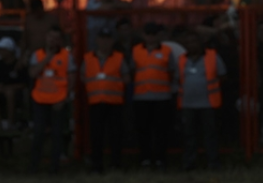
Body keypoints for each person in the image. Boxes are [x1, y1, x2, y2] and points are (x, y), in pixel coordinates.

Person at [28, 25, 75, 174]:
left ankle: (54, 168)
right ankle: (34, 166)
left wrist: (64, 99)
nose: (53, 41)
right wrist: (47, 58)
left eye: (56, 38)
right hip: (40, 100)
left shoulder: (67, 56)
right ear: (46, 38)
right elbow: (33, 73)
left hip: (58, 101)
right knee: (38, 134)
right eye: (50, 37)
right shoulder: (37, 55)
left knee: (57, 135)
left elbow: (71, 78)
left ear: (60, 40)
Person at [82, 27, 129, 173]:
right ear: (97, 40)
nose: (105, 42)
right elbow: (83, 76)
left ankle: (116, 163)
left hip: (114, 102)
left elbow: (126, 78)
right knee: (96, 135)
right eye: (102, 38)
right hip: (95, 102)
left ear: (112, 41)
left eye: (108, 39)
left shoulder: (119, 58)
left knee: (115, 135)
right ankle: (97, 165)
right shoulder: (88, 58)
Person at [178, 32, 226, 171]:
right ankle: (189, 164)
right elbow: (177, 78)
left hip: (208, 103)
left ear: (200, 43)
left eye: (194, 42)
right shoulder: (181, 59)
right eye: (188, 42)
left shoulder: (212, 56)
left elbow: (222, 76)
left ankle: (213, 163)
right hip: (187, 104)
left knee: (210, 134)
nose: (191, 45)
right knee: (189, 135)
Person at [132, 22, 176, 170]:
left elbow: (172, 71)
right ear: (143, 35)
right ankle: (145, 158)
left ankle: (160, 159)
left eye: (154, 34)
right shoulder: (136, 50)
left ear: (159, 35)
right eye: (148, 34)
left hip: (162, 97)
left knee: (161, 130)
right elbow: (132, 70)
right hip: (141, 97)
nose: (151, 37)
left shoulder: (167, 51)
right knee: (143, 130)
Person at [0, 37, 27, 134]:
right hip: (0, 90)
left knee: (9, 93)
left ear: (9, 51)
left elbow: (24, 84)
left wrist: (10, 87)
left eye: (1, 49)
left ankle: (11, 123)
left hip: (15, 93)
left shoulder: (19, 65)